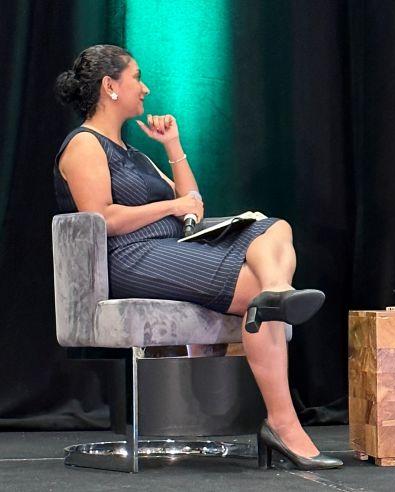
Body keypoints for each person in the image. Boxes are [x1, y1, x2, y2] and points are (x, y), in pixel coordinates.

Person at [54, 44, 342, 471]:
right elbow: (104, 219)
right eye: (136, 77)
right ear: (109, 86)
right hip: (131, 258)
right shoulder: (84, 145)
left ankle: (277, 292)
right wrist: (168, 208)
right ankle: (284, 423)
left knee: (275, 227)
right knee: (254, 290)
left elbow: (194, 206)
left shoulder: (134, 155)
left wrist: (172, 144)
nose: (145, 88)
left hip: (171, 247)